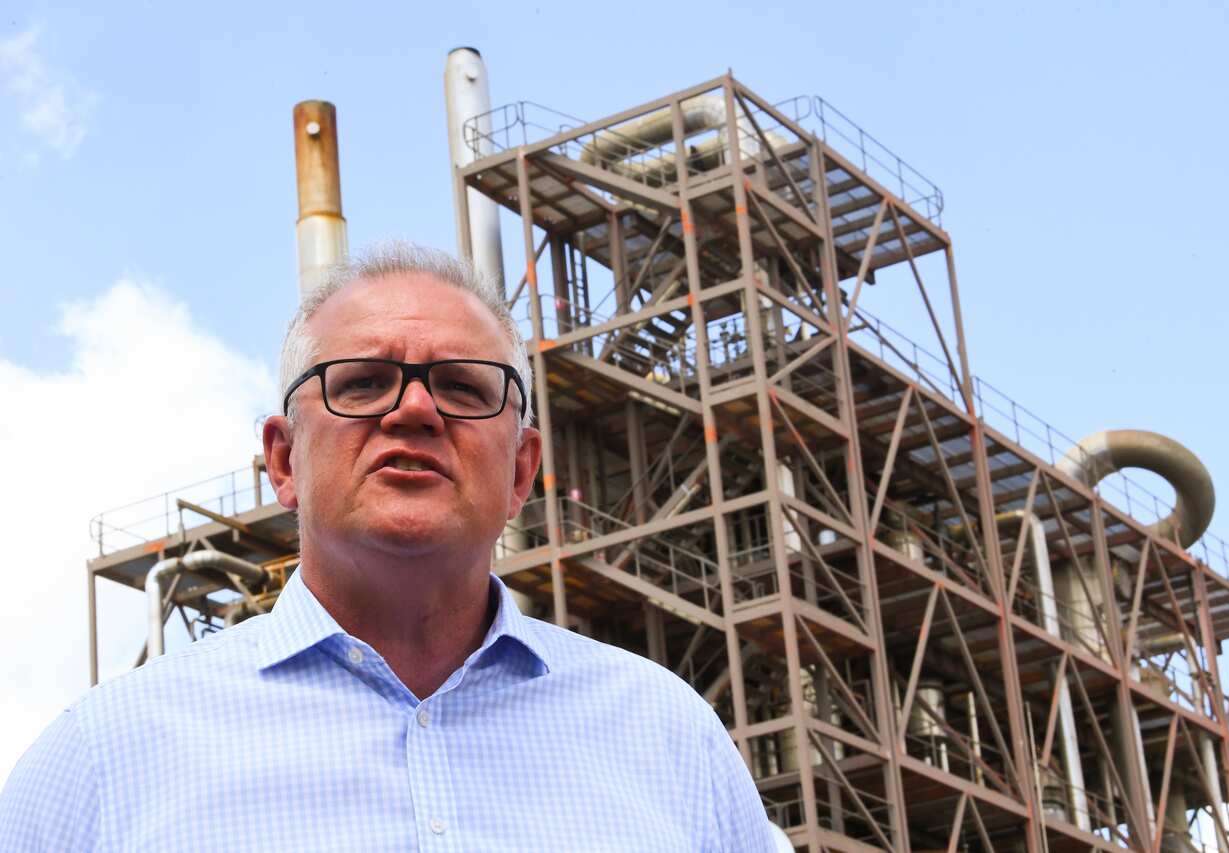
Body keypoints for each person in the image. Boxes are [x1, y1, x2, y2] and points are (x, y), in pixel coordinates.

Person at [0, 243, 775, 851]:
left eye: (465, 387)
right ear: (283, 460)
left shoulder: (668, 738)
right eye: (364, 381)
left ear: (522, 472)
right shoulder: (104, 758)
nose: (413, 409)